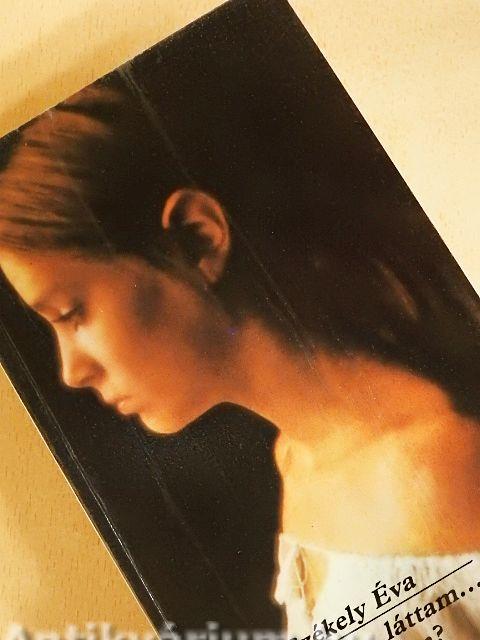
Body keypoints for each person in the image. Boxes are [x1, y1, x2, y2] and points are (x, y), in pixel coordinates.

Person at [1, 76, 480, 638]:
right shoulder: (298, 458)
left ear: (197, 238)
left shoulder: (430, 469)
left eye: (71, 313)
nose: (71, 371)